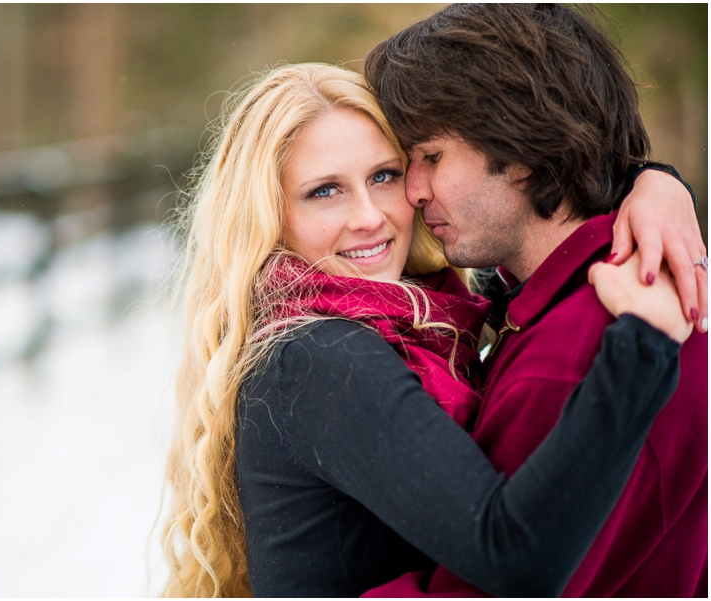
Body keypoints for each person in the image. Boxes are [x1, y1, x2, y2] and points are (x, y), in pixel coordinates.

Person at [159, 62, 700, 597]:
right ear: (267, 217)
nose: (370, 216)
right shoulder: (320, 356)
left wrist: (654, 183)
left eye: (383, 176)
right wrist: (644, 345)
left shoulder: (430, 316)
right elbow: (512, 561)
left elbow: (528, 226)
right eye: (325, 191)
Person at [363, 4, 707, 597]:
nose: (413, 192)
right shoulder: (607, 284)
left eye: (432, 157)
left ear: (521, 141)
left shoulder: (573, 353)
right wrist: (661, 177)